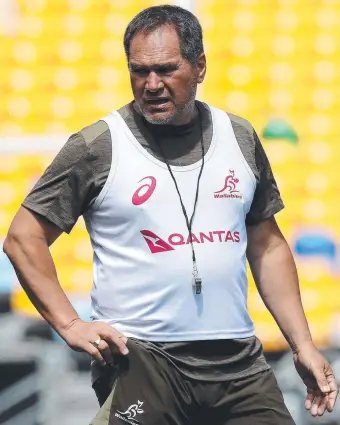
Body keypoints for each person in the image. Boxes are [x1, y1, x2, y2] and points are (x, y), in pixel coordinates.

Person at [4, 5, 338, 425]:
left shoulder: (241, 137)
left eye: (165, 69)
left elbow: (267, 245)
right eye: (139, 71)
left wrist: (302, 344)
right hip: (141, 359)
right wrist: (70, 324)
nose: (152, 84)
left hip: (238, 363)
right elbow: (22, 238)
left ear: (199, 66)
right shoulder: (97, 146)